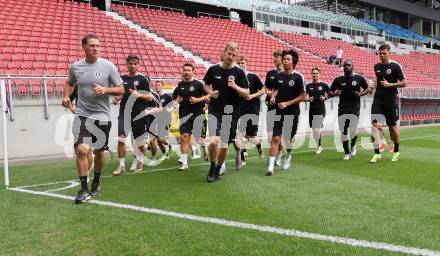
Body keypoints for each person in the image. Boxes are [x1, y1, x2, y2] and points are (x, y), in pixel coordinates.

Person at [62, 34, 124, 204]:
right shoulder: (76, 67)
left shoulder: (108, 66)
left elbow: (121, 90)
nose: (96, 48)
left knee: (99, 152)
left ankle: (96, 181)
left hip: (102, 116)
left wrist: (105, 90)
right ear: (84, 47)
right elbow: (69, 83)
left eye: (98, 45)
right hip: (82, 114)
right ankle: (83, 189)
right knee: (81, 150)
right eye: (92, 46)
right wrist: (67, 97)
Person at [203, 42, 250, 182]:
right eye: (229, 53)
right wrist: (211, 92)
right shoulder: (213, 69)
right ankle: (212, 166)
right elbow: (205, 84)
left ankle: (218, 169)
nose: (231, 57)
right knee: (213, 141)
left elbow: (247, 93)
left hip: (231, 113)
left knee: (224, 146)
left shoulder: (239, 72)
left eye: (234, 55)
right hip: (215, 110)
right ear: (223, 53)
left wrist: (235, 86)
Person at [112, 54, 154, 176]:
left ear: (138, 65)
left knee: (139, 141)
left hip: (139, 114)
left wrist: (139, 95)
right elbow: (123, 94)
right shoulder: (121, 79)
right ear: (127, 64)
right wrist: (117, 99)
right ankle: (121, 165)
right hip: (124, 113)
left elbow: (150, 97)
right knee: (121, 139)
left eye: (135, 63)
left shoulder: (143, 79)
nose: (133, 65)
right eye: (131, 63)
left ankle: (140, 161)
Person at [267, 49, 307, 175]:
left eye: (288, 59)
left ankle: (288, 155)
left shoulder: (298, 77)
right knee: (275, 138)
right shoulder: (278, 76)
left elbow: (303, 97)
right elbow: (274, 89)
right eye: (284, 59)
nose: (285, 61)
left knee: (288, 139)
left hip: (292, 112)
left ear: (294, 62)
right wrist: (273, 97)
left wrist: (287, 103)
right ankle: (271, 167)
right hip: (279, 111)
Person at [370, 44, 406, 163]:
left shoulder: (395, 66)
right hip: (378, 101)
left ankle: (396, 149)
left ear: (389, 53)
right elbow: (377, 79)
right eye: (380, 53)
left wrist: (389, 85)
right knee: (375, 126)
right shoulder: (376, 66)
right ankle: (377, 154)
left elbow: (404, 83)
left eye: (384, 53)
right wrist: (373, 88)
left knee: (392, 129)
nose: (382, 55)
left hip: (390, 101)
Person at [328, 60, 369, 160]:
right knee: (343, 131)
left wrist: (360, 94)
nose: (346, 67)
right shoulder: (338, 79)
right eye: (345, 65)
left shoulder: (359, 78)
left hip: (354, 107)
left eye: (349, 65)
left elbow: (367, 89)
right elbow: (329, 92)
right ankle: (346, 153)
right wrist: (335, 94)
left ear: (353, 67)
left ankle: (353, 145)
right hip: (342, 108)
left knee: (353, 130)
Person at [173, 63, 210, 171]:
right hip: (184, 115)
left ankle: (205, 149)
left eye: (189, 70)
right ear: (182, 71)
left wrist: (198, 100)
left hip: (198, 115)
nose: (186, 72)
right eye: (185, 70)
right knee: (185, 137)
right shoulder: (180, 85)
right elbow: (177, 97)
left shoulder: (199, 84)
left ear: (192, 71)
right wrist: (176, 102)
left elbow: (208, 95)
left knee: (199, 139)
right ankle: (184, 163)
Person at [235, 55, 265, 169]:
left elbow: (263, 90)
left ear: (246, 63)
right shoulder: (235, 79)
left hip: (253, 108)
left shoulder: (253, 76)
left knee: (251, 136)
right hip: (240, 109)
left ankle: (259, 146)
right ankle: (242, 158)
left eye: (242, 62)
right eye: (238, 63)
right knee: (240, 135)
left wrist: (252, 96)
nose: (241, 64)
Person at [264, 50, 284, 166]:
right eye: (274, 57)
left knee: (278, 137)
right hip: (271, 107)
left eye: (276, 57)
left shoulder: (288, 74)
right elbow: (265, 88)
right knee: (270, 136)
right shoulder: (270, 73)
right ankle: (274, 154)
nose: (274, 59)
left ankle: (279, 154)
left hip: (282, 109)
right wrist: (268, 93)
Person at [305, 67, 330, 154]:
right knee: (314, 130)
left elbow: (330, 94)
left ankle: (319, 146)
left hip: (320, 109)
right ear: (311, 74)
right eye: (313, 73)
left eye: (316, 73)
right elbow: (304, 96)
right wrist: (308, 99)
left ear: (320, 74)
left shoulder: (324, 85)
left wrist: (325, 97)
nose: (315, 75)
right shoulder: (308, 86)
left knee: (316, 129)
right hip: (312, 110)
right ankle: (319, 145)